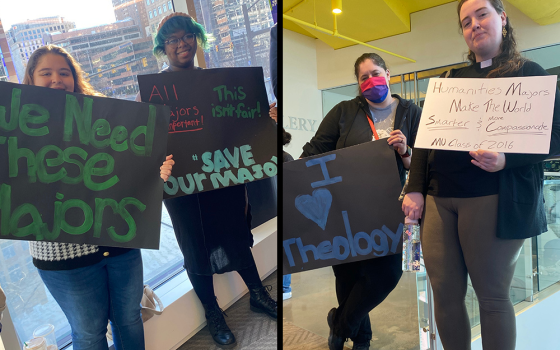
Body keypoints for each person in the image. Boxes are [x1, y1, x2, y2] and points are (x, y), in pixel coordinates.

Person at [401, 1, 560, 349]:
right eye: (466, 21)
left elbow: (556, 135)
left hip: (493, 198)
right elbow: (426, 140)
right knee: (444, 294)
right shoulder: (449, 80)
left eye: (482, 14)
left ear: (502, 17)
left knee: (491, 297)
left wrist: (508, 158)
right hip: (437, 198)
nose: (474, 25)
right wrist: (414, 188)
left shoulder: (529, 73)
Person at [22, 45, 174, 350]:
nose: (56, 79)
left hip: (120, 242)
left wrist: (156, 173)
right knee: (89, 333)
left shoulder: (104, 118)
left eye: (64, 72)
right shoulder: (16, 130)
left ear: (74, 78)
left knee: (129, 318)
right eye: (46, 73)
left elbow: (129, 170)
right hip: (64, 256)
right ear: (31, 79)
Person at [149, 13, 277, 348]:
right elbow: (143, 145)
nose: (182, 43)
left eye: (188, 36)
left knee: (235, 234)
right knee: (194, 247)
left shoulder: (219, 83)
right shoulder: (154, 92)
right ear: (163, 47)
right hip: (182, 187)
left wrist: (266, 119)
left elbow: (243, 128)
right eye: (174, 39)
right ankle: (213, 313)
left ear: (197, 39)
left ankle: (258, 295)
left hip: (224, 179)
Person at [301, 52, 422, 350]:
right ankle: (362, 339)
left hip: (397, 209)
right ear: (357, 83)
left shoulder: (411, 112)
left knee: (391, 273)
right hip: (345, 209)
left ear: (389, 73)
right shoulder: (344, 111)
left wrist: (406, 152)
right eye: (363, 77)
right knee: (349, 274)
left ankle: (340, 323)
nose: (371, 80)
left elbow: (425, 164)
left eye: (376, 73)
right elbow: (314, 150)